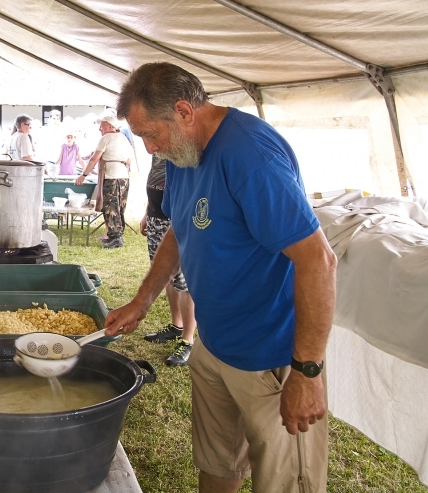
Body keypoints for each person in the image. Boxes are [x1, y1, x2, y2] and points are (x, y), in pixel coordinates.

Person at [104, 62, 337, 493]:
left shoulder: (251, 155)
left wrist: (307, 373)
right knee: (218, 464)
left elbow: (317, 261)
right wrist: (142, 300)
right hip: (213, 345)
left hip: (268, 356)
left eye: (150, 135)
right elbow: (179, 230)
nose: (151, 148)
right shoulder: (181, 152)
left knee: (286, 480)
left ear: (184, 112)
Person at [140, 154, 195, 366]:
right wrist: (147, 212)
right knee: (166, 277)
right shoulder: (157, 147)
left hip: (177, 220)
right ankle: (176, 325)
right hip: (156, 216)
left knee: (184, 283)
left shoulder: (184, 147)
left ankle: (187, 339)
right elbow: (156, 178)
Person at [75, 109, 133, 249]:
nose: (100, 128)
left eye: (101, 125)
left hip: (112, 177)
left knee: (111, 206)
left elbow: (94, 159)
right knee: (120, 206)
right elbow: (130, 160)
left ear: (108, 126)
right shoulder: (123, 138)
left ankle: (115, 237)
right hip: (124, 176)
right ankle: (117, 235)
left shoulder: (105, 138)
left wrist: (83, 175)